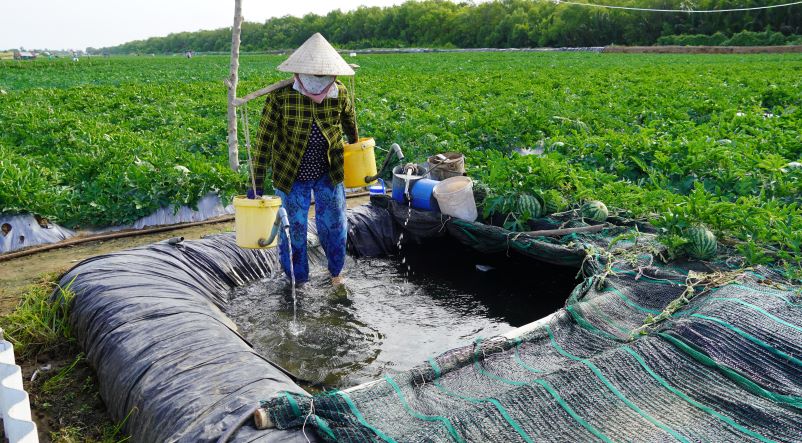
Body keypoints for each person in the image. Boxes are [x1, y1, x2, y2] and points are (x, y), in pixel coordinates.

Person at [248, 33, 357, 288]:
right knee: (292, 229)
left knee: (334, 225)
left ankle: (336, 273)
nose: (318, 84)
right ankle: (298, 280)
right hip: (291, 175)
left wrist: (356, 147)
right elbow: (264, 139)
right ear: (300, 73)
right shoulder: (282, 96)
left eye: (323, 77)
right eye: (313, 77)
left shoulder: (338, 93)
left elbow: (350, 123)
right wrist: (256, 183)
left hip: (328, 172)